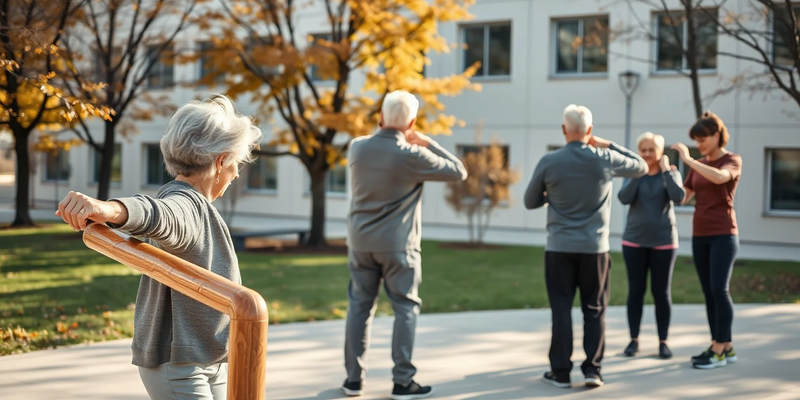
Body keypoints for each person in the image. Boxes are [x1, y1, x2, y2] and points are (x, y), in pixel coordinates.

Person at [55, 95, 262, 399]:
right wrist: (107, 210)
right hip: (181, 365)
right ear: (220, 162)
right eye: (236, 163)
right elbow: (157, 215)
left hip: (211, 358)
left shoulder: (198, 205)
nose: (237, 174)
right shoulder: (185, 204)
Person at [342, 90, 467, 399]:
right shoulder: (413, 155)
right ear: (411, 122)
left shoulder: (357, 148)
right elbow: (459, 172)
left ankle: (353, 381)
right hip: (398, 245)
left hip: (360, 243)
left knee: (360, 307)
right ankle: (402, 381)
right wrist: (427, 142)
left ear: (381, 117)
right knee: (405, 308)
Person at [524, 104, 647, 388]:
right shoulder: (604, 158)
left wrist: (550, 196)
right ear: (590, 131)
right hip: (595, 249)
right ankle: (593, 370)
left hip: (559, 248)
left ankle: (561, 372)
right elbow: (641, 166)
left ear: (564, 129)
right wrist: (608, 144)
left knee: (561, 308)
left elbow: (530, 201)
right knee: (594, 309)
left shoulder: (549, 161)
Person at [671, 111, 742, 370]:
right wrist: (671, 178)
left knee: (719, 290)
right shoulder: (697, 165)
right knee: (708, 293)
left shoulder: (731, 160)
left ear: (716, 136)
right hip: (700, 235)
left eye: (702, 139)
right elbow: (683, 197)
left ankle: (718, 350)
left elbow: (720, 177)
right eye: (696, 140)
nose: (699, 145)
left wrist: (689, 161)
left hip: (724, 234)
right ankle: (724, 345)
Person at [618, 132, 685, 360]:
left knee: (661, 293)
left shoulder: (671, 173)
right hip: (634, 241)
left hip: (664, 242)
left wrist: (667, 171)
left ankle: (663, 342)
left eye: (651, 150)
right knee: (636, 291)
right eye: (643, 150)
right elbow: (624, 198)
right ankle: (633, 340)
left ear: (660, 152)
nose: (647, 154)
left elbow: (679, 196)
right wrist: (639, 172)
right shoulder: (633, 174)